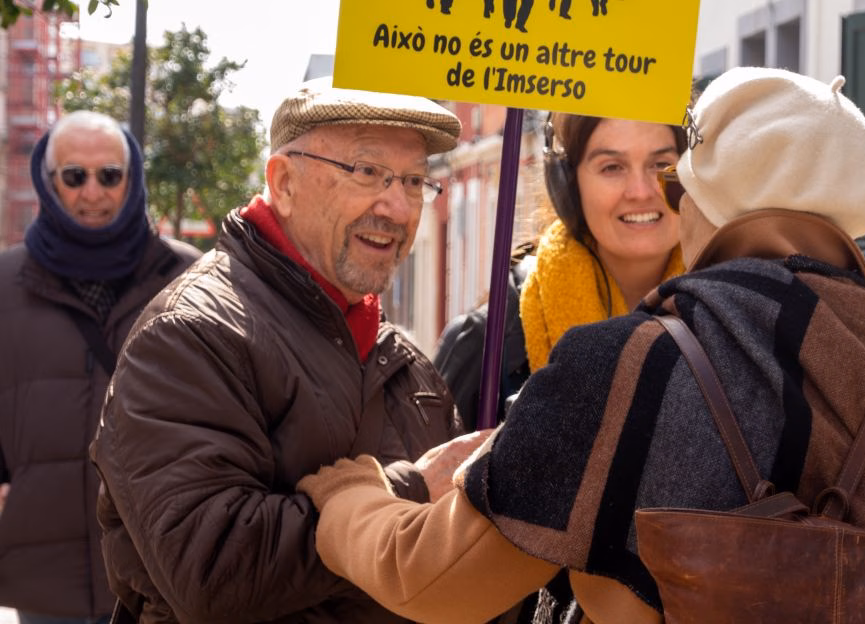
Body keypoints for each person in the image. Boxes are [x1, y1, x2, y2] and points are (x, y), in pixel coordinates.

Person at [299, 67, 865, 623]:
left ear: (707, 204)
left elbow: (430, 577)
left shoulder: (626, 369)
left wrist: (347, 496)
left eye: (677, 186)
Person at [89, 77, 466, 622]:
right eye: (366, 171)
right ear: (284, 183)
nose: (397, 207)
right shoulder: (191, 334)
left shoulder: (403, 359)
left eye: (413, 181)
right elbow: (212, 569)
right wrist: (409, 493)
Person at [0, 111, 200, 624]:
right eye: (74, 176)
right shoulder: (5, 283)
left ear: (132, 180)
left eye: (109, 175)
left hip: (160, 565)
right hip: (46, 571)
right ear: (49, 182)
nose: (93, 192)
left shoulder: (189, 277)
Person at [434, 112, 687, 432]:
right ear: (567, 185)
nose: (641, 191)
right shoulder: (486, 346)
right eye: (612, 167)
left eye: (661, 164)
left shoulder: (731, 322)